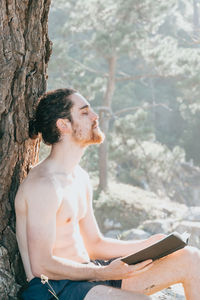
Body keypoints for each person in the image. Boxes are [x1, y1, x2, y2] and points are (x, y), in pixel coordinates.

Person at [15, 88, 200, 300]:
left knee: (191, 258)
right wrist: (104, 272)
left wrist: (148, 244)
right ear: (63, 125)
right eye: (85, 113)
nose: (95, 117)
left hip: (89, 275)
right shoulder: (43, 186)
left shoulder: (80, 177)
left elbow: (95, 245)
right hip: (54, 287)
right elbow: (42, 265)